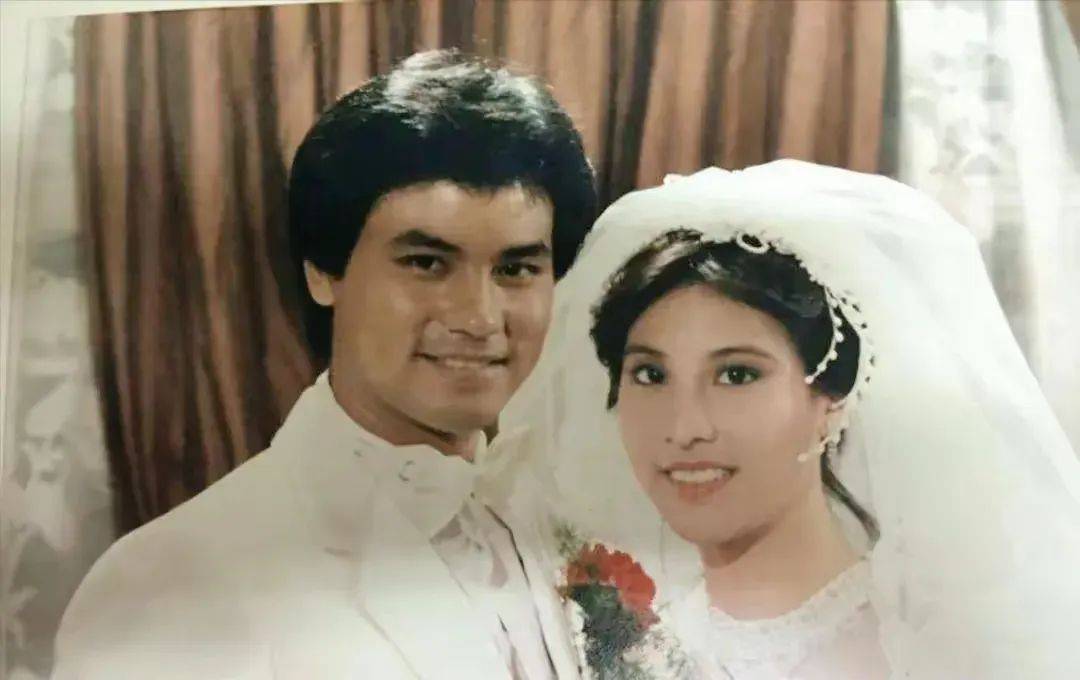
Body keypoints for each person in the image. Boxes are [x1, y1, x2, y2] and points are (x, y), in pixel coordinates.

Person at [54, 49, 597, 680]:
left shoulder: (563, 525)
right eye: (426, 263)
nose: (479, 318)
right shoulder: (173, 579)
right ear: (322, 271)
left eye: (516, 269)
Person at [500, 161, 1080, 679]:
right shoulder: (590, 633)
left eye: (737, 375)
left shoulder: (928, 649)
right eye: (651, 375)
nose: (684, 427)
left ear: (832, 399)